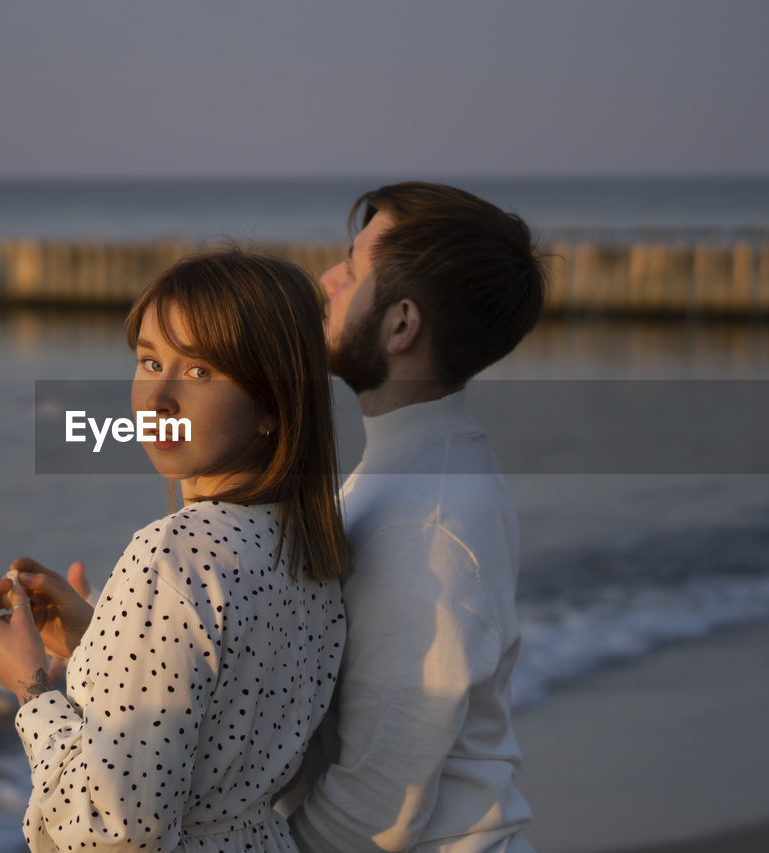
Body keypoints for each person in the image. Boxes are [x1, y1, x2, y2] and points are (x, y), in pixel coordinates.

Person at [0, 250, 351, 852]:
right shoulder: (305, 547)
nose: (156, 398)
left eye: (200, 372)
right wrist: (98, 636)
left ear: (273, 407)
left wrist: (30, 687)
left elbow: (115, 836)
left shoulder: (172, 555)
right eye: (150, 361)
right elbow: (226, 714)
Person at [283, 182, 545, 852]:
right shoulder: (424, 463)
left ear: (401, 325)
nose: (326, 279)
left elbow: (374, 812)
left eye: (354, 269)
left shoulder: (426, 523)